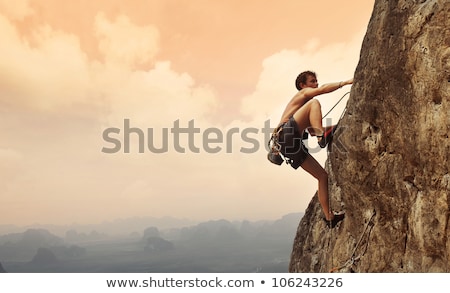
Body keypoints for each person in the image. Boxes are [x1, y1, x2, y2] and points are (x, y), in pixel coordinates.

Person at [270, 71, 353, 228]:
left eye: (316, 81)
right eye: (312, 81)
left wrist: (338, 126)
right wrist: (346, 82)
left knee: (322, 176)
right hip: (286, 135)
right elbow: (321, 91)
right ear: (303, 85)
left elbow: (313, 130)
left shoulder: (303, 114)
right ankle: (322, 138)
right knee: (314, 102)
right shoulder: (303, 95)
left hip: (288, 146)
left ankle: (329, 217)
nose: (316, 84)